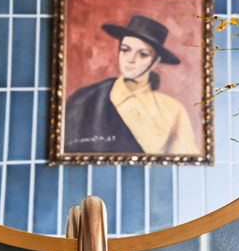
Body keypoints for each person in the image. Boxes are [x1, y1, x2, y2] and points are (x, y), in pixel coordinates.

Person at [63, 15, 200, 156]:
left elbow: (185, 161)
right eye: (125, 50)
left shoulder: (172, 110)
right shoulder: (84, 100)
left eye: (143, 54)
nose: (130, 59)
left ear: (155, 61)